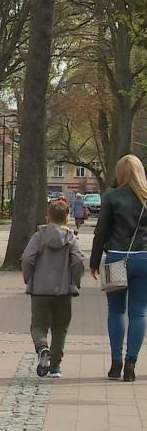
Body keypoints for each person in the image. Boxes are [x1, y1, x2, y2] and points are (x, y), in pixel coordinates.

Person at [90, 154, 147, 382]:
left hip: (116, 257)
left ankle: (115, 362)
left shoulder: (111, 196)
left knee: (115, 311)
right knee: (139, 312)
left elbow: (101, 231)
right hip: (143, 258)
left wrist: (94, 261)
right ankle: (131, 362)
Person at [22, 200, 84, 379]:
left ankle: (42, 348)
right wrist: (76, 281)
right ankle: (55, 366)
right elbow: (78, 261)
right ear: (67, 219)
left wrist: (29, 278)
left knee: (38, 325)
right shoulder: (71, 238)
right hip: (64, 291)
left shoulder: (39, 236)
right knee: (60, 328)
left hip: (40, 290)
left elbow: (27, 258)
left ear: (47, 217)